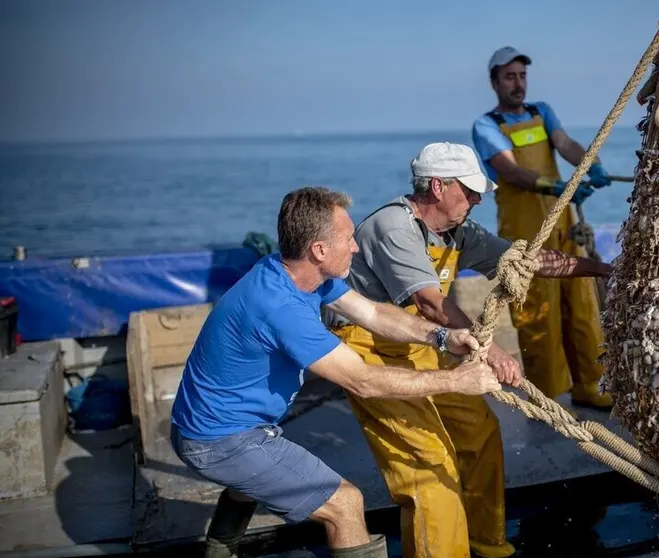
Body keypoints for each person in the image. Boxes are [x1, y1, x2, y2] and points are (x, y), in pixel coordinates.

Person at [168, 186, 502, 558]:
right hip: (220, 440)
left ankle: (219, 550)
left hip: (216, 426)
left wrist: (441, 336)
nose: (356, 247)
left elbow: (372, 313)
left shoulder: (293, 272)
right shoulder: (282, 308)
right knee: (344, 505)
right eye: (348, 239)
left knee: (249, 483)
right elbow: (363, 380)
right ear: (319, 250)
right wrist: (457, 380)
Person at [325, 142, 614, 558]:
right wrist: (493, 351)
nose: (479, 198)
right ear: (438, 187)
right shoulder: (395, 227)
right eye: (470, 190)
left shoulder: (458, 230)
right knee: (428, 465)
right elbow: (430, 303)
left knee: (480, 431)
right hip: (368, 349)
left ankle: (484, 542)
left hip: (422, 341)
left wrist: (600, 268)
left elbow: (525, 261)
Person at [471, 46, 616, 409]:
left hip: (562, 223)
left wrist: (590, 164)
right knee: (538, 313)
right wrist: (554, 186)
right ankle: (546, 396)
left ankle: (591, 385)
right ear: (494, 83)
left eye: (521, 76)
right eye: (509, 77)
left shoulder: (542, 112)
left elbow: (564, 144)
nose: (518, 84)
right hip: (524, 233)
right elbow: (509, 169)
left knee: (581, 306)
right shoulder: (487, 126)